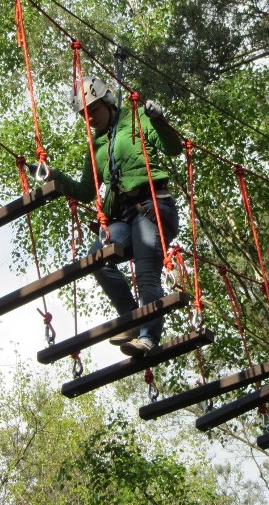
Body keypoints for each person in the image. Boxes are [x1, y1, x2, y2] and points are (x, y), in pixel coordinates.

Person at [50, 76, 183, 356]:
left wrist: (159, 120)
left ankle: (148, 338)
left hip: (152, 205)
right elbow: (87, 190)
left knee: (147, 276)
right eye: (84, 116)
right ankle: (130, 318)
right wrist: (55, 177)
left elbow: (173, 148)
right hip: (122, 218)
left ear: (107, 103)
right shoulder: (96, 146)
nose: (90, 120)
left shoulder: (136, 119)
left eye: (93, 111)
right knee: (96, 259)